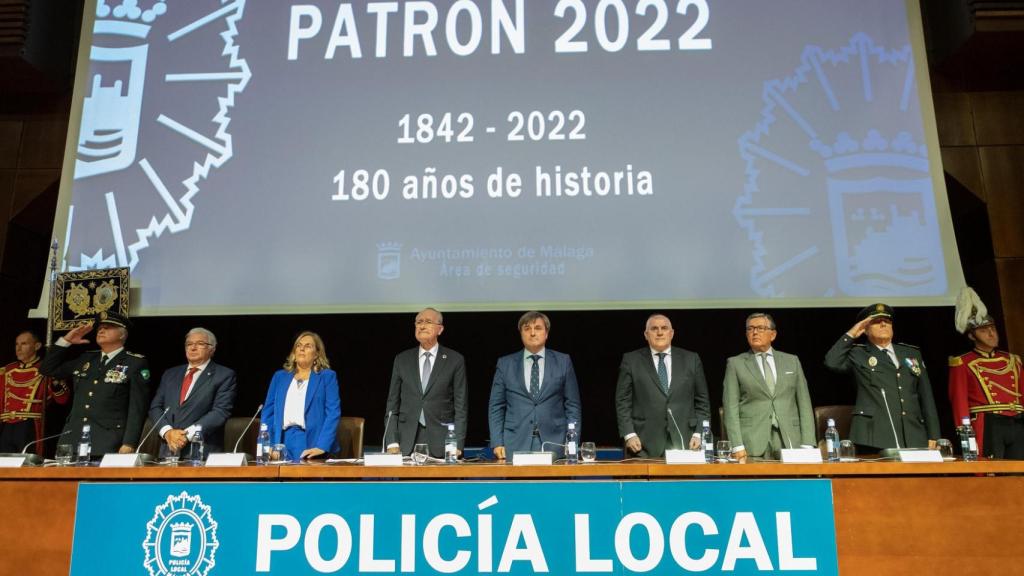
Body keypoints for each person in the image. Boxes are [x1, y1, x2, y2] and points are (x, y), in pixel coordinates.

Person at [824, 303, 940, 452]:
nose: (883, 323)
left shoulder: (910, 353)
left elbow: (926, 395)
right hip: (875, 435)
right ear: (865, 329)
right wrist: (852, 334)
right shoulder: (858, 353)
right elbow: (832, 362)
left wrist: (934, 435)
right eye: (876, 321)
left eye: (887, 321)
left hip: (914, 434)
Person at [40, 312, 151, 456]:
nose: (101, 330)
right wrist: (66, 341)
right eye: (99, 328)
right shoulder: (86, 359)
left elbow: (137, 408)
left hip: (108, 442)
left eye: (108, 327)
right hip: (73, 440)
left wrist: (129, 443)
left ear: (122, 334)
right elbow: (47, 369)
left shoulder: (134, 363)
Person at [488, 311, 581, 460]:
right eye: (527, 329)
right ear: (521, 334)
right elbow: (496, 406)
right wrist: (497, 442)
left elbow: (573, 406)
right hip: (515, 443)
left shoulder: (563, 361)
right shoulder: (505, 364)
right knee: (517, 484)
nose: (532, 333)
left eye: (537, 328)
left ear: (546, 333)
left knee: (555, 484)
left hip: (555, 443)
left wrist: (572, 443)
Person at [722, 313, 815, 461]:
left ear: (773, 334)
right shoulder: (735, 364)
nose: (755, 332)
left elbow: (804, 403)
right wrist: (737, 445)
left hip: (789, 438)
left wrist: (808, 442)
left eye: (760, 328)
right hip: (752, 440)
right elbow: (730, 407)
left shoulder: (792, 361)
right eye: (750, 328)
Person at [615, 314, 710, 458]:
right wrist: (629, 434)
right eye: (654, 329)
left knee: (682, 481)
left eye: (664, 328)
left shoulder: (691, 359)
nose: (659, 332)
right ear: (646, 335)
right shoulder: (631, 360)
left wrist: (699, 433)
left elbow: (702, 401)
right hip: (643, 443)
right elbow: (622, 401)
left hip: (686, 441)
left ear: (672, 333)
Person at [949, 287, 1023, 459]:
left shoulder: (1013, 360)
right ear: (972, 336)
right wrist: (966, 436)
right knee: (993, 474)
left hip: (1018, 421)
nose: (991, 333)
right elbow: (959, 402)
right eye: (983, 330)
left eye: (992, 328)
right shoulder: (962, 362)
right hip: (988, 423)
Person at [384, 308, 468, 459]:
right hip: (406, 441)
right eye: (419, 322)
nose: (422, 326)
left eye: (428, 322)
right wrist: (391, 441)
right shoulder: (402, 360)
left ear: (440, 329)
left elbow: (461, 407)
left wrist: (458, 443)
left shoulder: (455, 360)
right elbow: (392, 405)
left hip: (442, 441)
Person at [148, 328, 237, 460]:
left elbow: (220, 412)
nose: (193, 348)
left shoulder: (224, 375)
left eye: (200, 344)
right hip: (168, 449)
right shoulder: (170, 374)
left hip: (201, 452)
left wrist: (185, 435)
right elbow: (156, 407)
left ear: (212, 349)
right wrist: (167, 432)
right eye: (189, 344)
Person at [262, 331, 340, 460]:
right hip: (282, 442)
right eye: (298, 345)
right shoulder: (280, 377)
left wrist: (322, 446)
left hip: (312, 441)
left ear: (317, 354)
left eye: (308, 346)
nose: (302, 348)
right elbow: (268, 413)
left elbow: (333, 412)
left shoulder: (327, 377)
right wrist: (268, 444)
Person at [0, 330, 69, 454]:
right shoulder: (7, 370)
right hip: (6, 426)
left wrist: (55, 383)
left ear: (37, 346)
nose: (18, 348)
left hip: (30, 425)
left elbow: (62, 399)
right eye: (17, 344)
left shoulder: (46, 369)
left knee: (27, 465)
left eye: (24, 344)